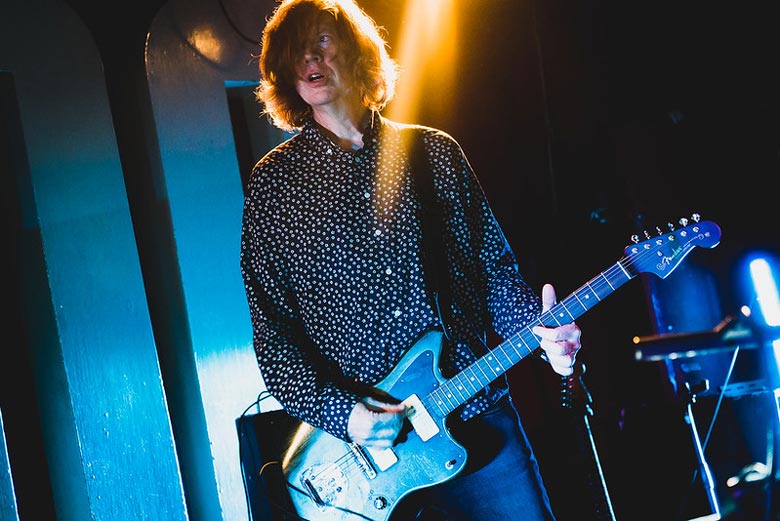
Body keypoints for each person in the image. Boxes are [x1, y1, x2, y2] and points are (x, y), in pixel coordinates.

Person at [240, 0, 582, 519]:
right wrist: (345, 415)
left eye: (322, 40)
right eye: (294, 51)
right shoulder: (273, 187)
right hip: (371, 460)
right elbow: (274, 336)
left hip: (477, 420)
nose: (308, 56)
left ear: (356, 51)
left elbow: (493, 273)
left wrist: (546, 338)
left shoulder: (434, 154)